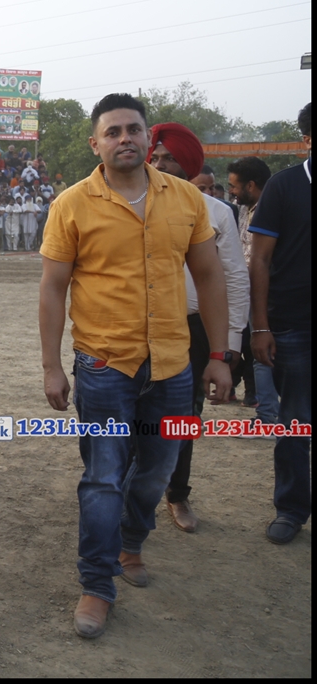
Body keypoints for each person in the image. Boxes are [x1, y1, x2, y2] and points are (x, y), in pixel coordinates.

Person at [39, 93, 231, 640]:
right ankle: (97, 584)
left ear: (149, 138)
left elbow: (209, 276)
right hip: (103, 366)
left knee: (155, 474)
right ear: (95, 143)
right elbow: (53, 288)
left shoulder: (186, 199)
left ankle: (130, 542)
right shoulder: (72, 205)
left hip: (173, 365)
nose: (125, 138)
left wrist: (220, 356)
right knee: (103, 479)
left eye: (134, 129)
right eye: (113, 131)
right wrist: (52, 367)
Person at [148, 123, 248, 533]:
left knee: (186, 413)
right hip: (140, 325)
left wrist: (230, 344)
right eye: (156, 157)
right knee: (131, 410)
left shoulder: (216, 212)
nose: (160, 165)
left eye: (170, 158)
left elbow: (234, 279)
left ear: (188, 164)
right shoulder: (132, 203)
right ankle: (124, 495)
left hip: (195, 329)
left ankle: (177, 493)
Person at [248, 102, 311, 546]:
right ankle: (290, 509)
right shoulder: (284, 186)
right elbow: (260, 261)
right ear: (307, 139)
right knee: (295, 422)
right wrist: (260, 326)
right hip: (294, 325)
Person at [227, 156, 275, 418]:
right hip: (244, 291)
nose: (231, 191)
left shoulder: (273, 209)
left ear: (251, 185)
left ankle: (268, 415)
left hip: (265, 293)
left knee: (261, 352)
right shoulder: (244, 209)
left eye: (234, 186)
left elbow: (261, 259)